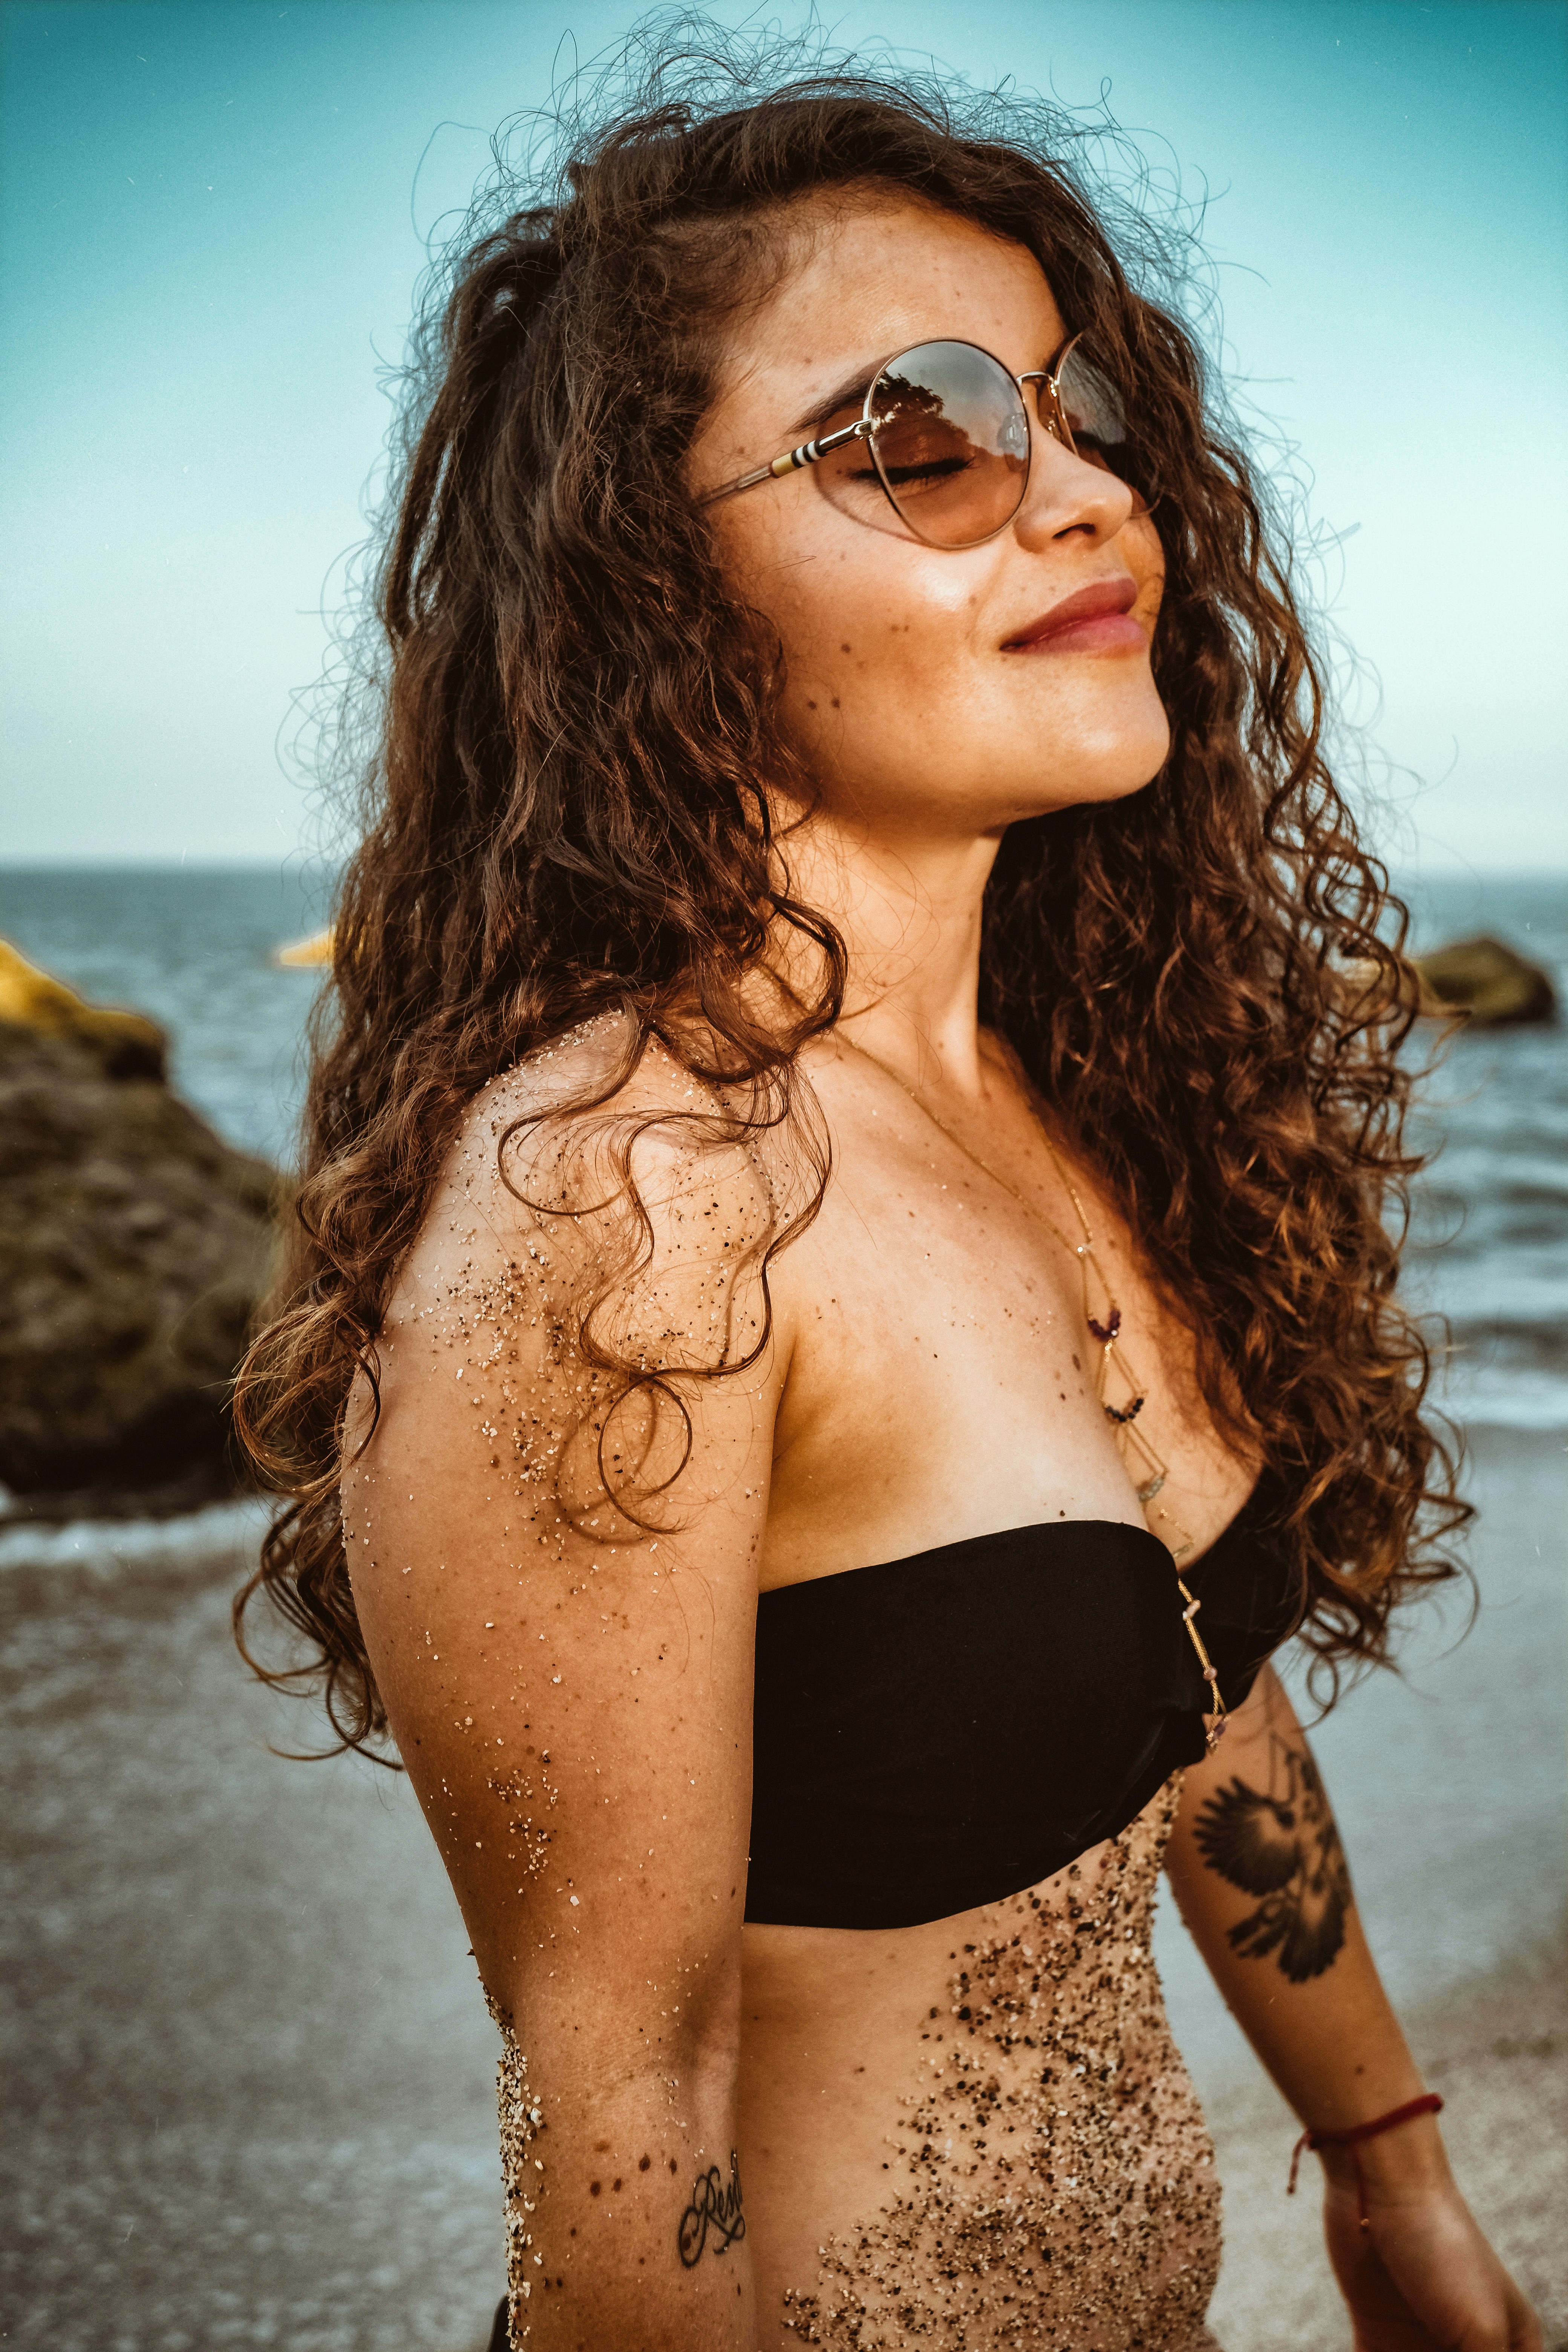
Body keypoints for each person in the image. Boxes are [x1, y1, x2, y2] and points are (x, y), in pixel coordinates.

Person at [234, 49, 1542, 2352]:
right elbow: (620, 2096)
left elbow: (1202, 1694)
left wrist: (1394, 2188)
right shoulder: (636, 1202)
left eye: (1078, 406)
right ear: (645, 577)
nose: (1089, 501)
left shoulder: (1046, 1098)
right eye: (924, 436)